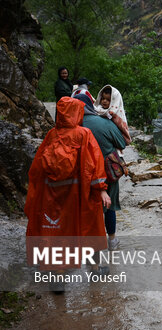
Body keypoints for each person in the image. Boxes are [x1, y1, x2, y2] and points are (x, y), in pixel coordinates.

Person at [24, 97, 111, 293]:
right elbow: (94, 165)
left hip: (52, 196)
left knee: (56, 233)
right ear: (76, 113)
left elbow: (36, 169)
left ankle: (58, 277)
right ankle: (95, 269)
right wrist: (102, 189)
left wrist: (37, 194)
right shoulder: (84, 134)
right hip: (79, 195)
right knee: (92, 228)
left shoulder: (51, 135)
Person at [73, 93, 126, 251]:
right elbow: (122, 142)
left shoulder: (73, 126)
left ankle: (87, 244)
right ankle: (112, 241)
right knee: (109, 206)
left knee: (87, 208)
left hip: (83, 173)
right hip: (107, 171)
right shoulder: (103, 122)